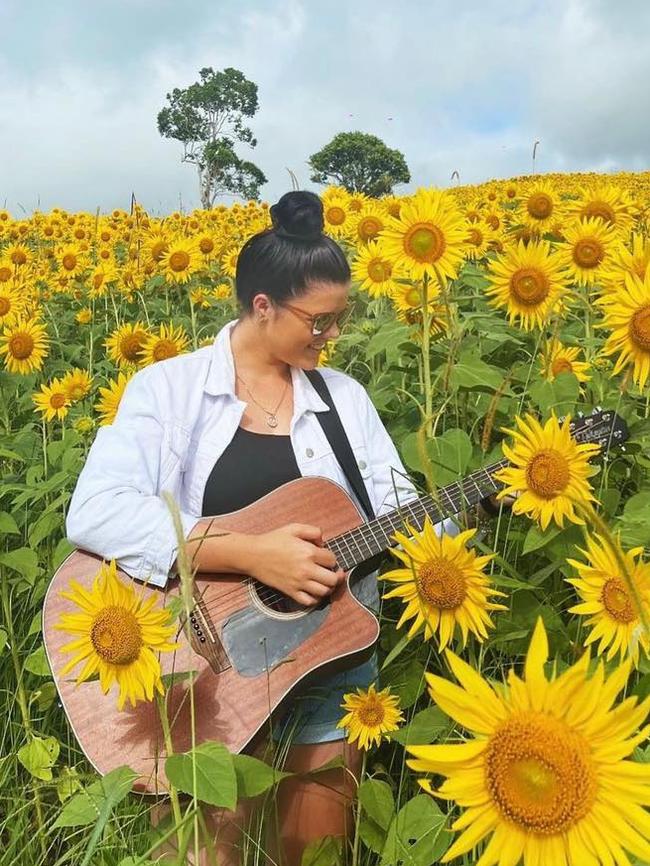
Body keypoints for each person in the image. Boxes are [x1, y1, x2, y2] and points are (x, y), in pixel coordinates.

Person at [65, 190, 509, 865]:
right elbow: (95, 509)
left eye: (341, 318)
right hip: (206, 670)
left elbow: (404, 515)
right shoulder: (169, 390)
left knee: (316, 853)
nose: (333, 336)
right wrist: (251, 554)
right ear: (263, 306)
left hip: (329, 661)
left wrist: (487, 497)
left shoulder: (344, 400)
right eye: (319, 321)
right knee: (205, 855)